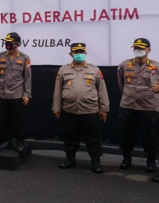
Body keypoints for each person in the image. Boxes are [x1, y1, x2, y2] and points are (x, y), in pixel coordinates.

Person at [52, 42, 109, 173]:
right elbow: (57, 90)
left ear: (85, 54)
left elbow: (102, 90)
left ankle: (95, 162)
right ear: (71, 54)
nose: (79, 55)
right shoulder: (63, 70)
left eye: (81, 52)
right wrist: (56, 107)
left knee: (93, 138)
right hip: (69, 110)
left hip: (90, 110)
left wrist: (104, 108)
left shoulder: (94, 69)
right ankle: (70, 159)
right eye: (76, 52)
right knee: (70, 137)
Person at [117, 37, 158, 174]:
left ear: (149, 50)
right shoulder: (124, 65)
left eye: (141, 48)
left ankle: (151, 161)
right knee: (126, 134)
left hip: (148, 107)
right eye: (136, 48)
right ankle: (126, 159)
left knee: (150, 136)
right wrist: (130, 94)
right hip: (128, 105)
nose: (138, 51)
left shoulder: (156, 66)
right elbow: (121, 84)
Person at [0, 32, 32, 152]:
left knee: (18, 119)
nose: (7, 44)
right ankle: (6, 140)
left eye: (10, 43)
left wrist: (26, 94)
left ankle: (19, 141)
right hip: (2, 93)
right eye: (6, 42)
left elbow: (28, 77)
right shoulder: (0, 56)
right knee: (4, 119)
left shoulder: (25, 58)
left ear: (17, 44)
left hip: (17, 94)